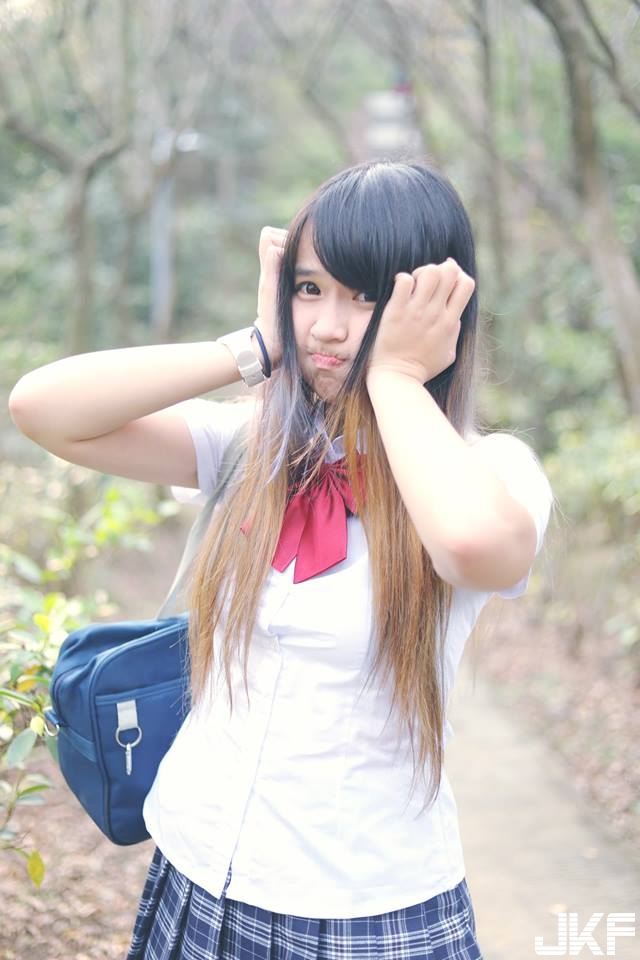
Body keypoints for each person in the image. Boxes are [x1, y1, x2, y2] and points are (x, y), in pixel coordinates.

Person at [9, 158, 554, 960]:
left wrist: (397, 376)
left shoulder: (488, 470)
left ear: (436, 306)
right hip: (195, 876)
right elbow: (43, 409)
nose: (328, 326)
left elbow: (474, 549)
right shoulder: (255, 445)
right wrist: (259, 345)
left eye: (364, 296)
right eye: (309, 289)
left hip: (366, 912)